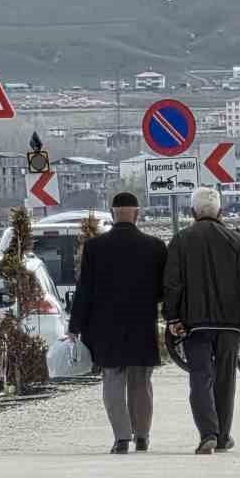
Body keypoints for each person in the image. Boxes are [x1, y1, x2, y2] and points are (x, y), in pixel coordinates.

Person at [164, 187, 240, 455]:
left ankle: (207, 432)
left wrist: (172, 317)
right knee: (225, 379)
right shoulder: (236, 241)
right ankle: (223, 436)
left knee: (200, 377)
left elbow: (172, 283)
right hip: (230, 323)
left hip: (194, 324)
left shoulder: (181, 240)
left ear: (193, 212)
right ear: (220, 211)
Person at [68, 192, 168, 454]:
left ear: (112, 213)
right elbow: (164, 290)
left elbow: (85, 290)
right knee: (141, 382)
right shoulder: (156, 247)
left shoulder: (95, 247)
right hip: (142, 324)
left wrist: (74, 326)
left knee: (113, 380)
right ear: (137, 212)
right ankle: (143, 435)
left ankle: (122, 438)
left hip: (107, 327)